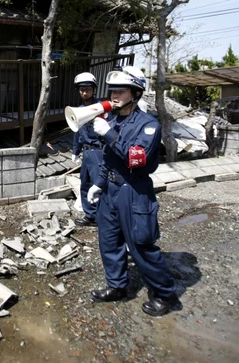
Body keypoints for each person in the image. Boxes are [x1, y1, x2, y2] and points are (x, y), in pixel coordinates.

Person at [87, 66, 179, 317]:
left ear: (136, 93)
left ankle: (165, 294)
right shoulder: (114, 120)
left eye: (121, 91)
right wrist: (98, 183)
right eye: (112, 91)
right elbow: (108, 158)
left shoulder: (148, 125)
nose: (114, 95)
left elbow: (135, 158)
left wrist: (110, 135)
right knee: (109, 240)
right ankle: (117, 286)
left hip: (134, 190)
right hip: (111, 190)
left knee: (140, 245)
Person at [70, 72, 107, 228]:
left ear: (93, 90)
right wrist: (75, 151)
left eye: (87, 89)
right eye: (81, 90)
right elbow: (77, 132)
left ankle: (104, 218)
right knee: (85, 184)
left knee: (99, 184)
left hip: (99, 151)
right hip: (86, 152)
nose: (84, 93)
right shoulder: (78, 110)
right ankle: (90, 216)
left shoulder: (102, 108)